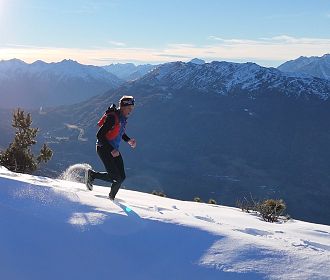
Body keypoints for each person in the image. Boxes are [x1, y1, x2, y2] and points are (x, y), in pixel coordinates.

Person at [86, 95, 136, 200]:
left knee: (121, 177)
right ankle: (94, 177)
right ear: (123, 106)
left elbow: (120, 132)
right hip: (104, 148)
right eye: (129, 108)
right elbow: (99, 135)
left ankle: (111, 197)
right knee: (116, 178)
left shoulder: (122, 118)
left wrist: (128, 140)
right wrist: (112, 149)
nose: (131, 111)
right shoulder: (113, 118)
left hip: (113, 149)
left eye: (132, 108)